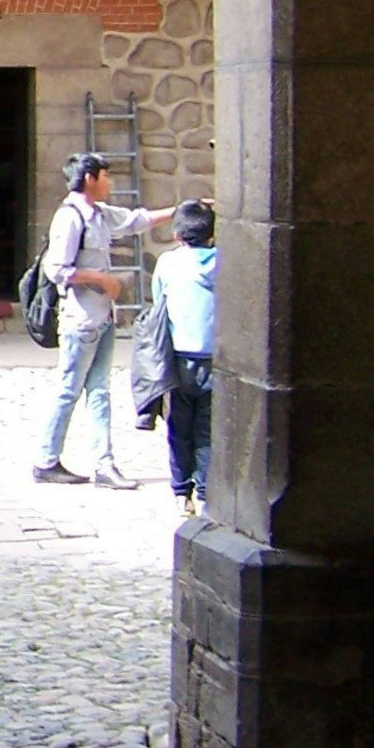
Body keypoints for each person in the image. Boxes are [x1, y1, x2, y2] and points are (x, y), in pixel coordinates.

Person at [33, 153, 167, 488]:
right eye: (106, 176)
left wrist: (179, 211)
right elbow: (56, 268)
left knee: (99, 392)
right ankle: (46, 460)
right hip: (80, 320)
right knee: (69, 390)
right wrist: (101, 279)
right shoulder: (70, 217)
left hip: (102, 318)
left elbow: (136, 221)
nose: (110, 182)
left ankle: (103, 465)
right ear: (89, 178)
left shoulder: (100, 214)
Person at [147, 201, 217, 516]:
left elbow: (158, 302)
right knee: (207, 429)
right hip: (214, 358)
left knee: (178, 427)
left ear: (177, 235)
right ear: (211, 235)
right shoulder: (223, 263)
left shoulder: (167, 263)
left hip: (177, 358)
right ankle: (205, 492)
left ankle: (181, 492)